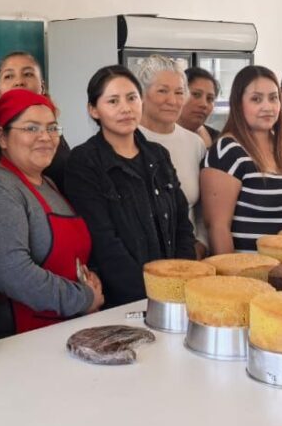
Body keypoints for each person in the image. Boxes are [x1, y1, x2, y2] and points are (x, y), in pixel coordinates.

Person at [0, 89, 102, 337]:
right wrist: (84, 297)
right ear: (2, 137)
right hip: (26, 338)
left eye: (52, 128)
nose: (46, 137)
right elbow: (14, 275)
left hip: (67, 327)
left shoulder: (49, 184)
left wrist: (90, 279)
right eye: (31, 128)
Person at [66, 66, 198, 306]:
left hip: (174, 295)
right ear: (93, 109)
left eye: (131, 98)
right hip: (122, 300)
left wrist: (182, 281)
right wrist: (147, 295)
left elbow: (182, 225)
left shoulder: (158, 154)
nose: (125, 108)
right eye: (113, 101)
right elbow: (103, 241)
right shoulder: (85, 161)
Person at [200, 65, 282, 253]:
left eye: (273, 98)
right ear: (238, 104)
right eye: (256, 99)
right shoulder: (227, 151)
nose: (267, 107)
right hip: (252, 268)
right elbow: (217, 228)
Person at [0, 51, 71, 190]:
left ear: (42, 87)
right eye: (9, 76)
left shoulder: (54, 138)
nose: (19, 82)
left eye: (28, 74)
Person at [130, 55, 208, 254]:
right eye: (162, 91)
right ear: (141, 94)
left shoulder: (195, 143)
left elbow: (203, 207)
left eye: (179, 92)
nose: (172, 101)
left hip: (187, 256)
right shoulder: (127, 140)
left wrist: (201, 243)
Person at [180, 66, 221, 147]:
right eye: (196, 94)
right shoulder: (157, 141)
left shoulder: (219, 141)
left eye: (210, 98)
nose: (204, 104)